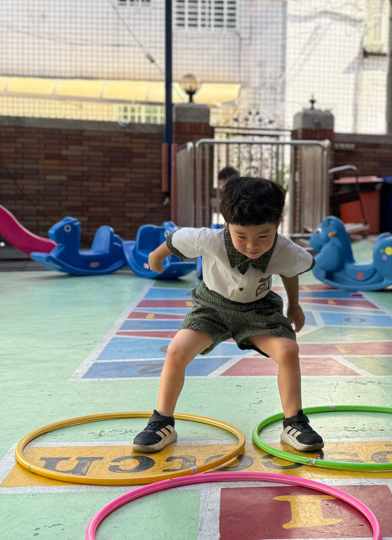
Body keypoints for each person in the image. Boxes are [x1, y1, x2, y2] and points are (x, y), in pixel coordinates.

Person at [134, 177, 324, 453]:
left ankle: (294, 422)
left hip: (259, 310)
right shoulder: (208, 240)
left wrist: (294, 305)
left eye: (263, 236)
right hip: (212, 308)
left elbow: (290, 270)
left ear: (278, 222)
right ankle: (161, 421)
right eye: (241, 236)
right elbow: (174, 240)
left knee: (288, 350)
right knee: (176, 351)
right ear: (226, 224)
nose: (252, 246)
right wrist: (155, 257)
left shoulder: (285, 249)